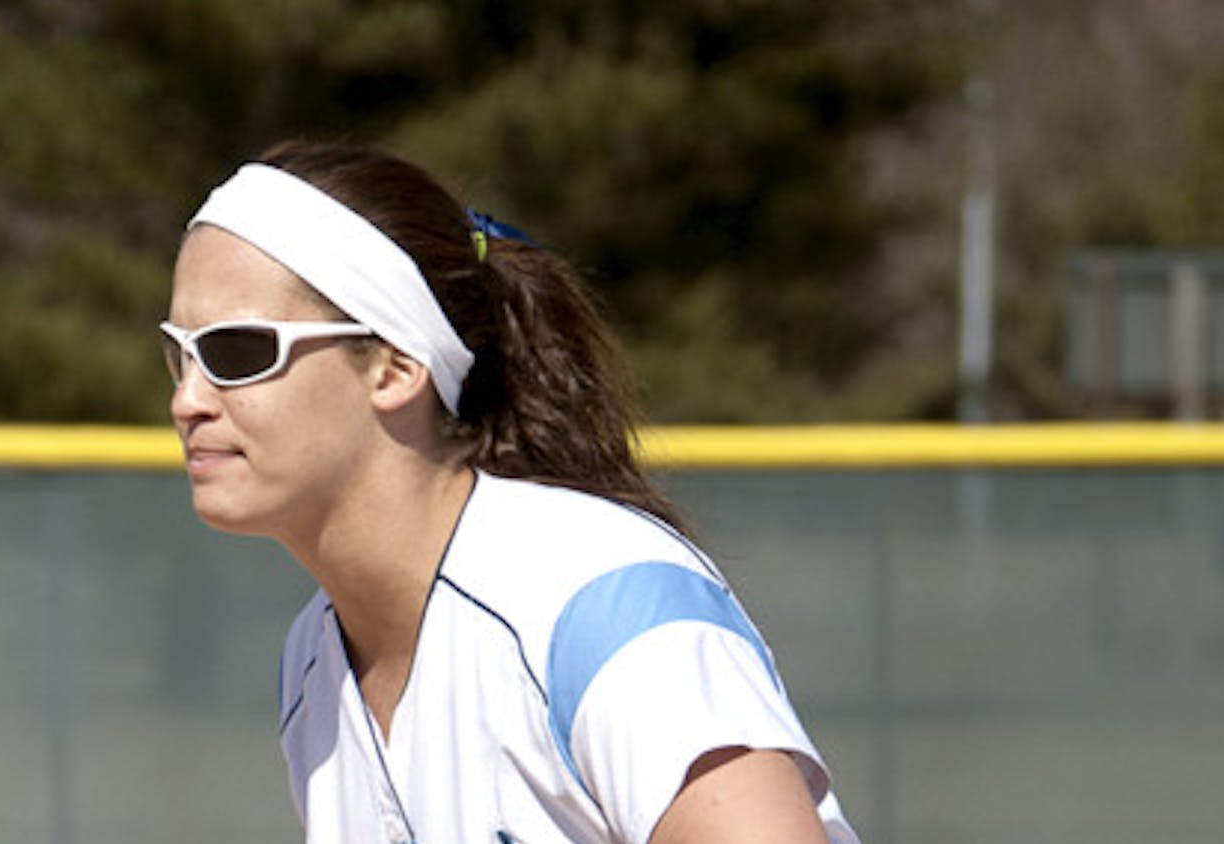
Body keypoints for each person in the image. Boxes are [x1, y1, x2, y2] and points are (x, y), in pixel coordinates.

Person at [163, 139, 858, 843]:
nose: (188, 399)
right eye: (178, 355)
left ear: (397, 367)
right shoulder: (314, 661)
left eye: (236, 351)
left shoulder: (596, 598)